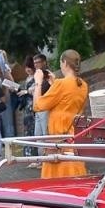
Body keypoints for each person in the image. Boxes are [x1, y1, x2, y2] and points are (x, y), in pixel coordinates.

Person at [33, 49, 88, 180]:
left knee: (57, 182)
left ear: (64, 63)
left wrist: (38, 82)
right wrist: (54, 84)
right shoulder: (83, 85)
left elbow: (38, 105)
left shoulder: (61, 84)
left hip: (59, 141)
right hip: (73, 140)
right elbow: (67, 103)